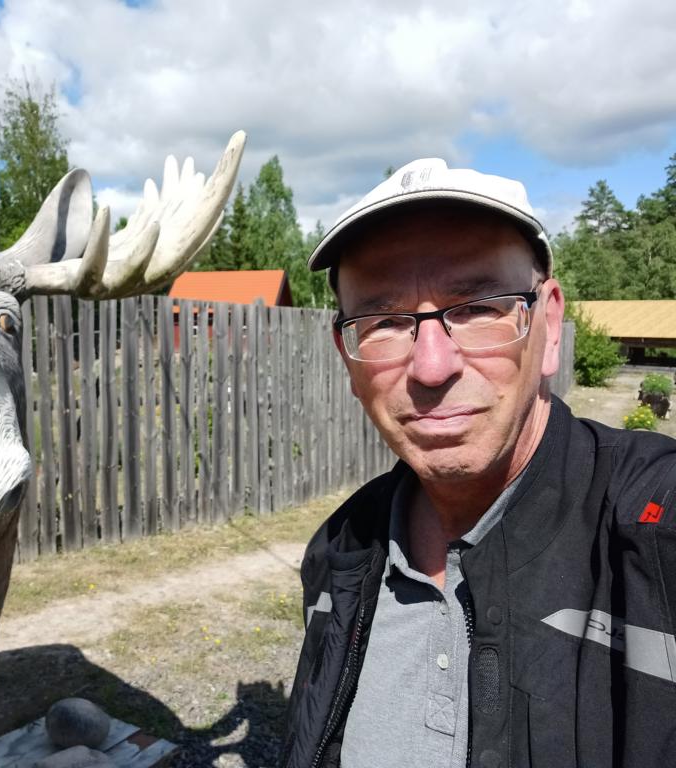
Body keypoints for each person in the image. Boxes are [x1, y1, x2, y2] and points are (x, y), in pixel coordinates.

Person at [281, 159, 676, 768]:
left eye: (476, 307)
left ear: (548, 322)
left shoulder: (651, 540)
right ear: (348, 356)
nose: (432, 366)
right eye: (384, 321)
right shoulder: (339, 550)